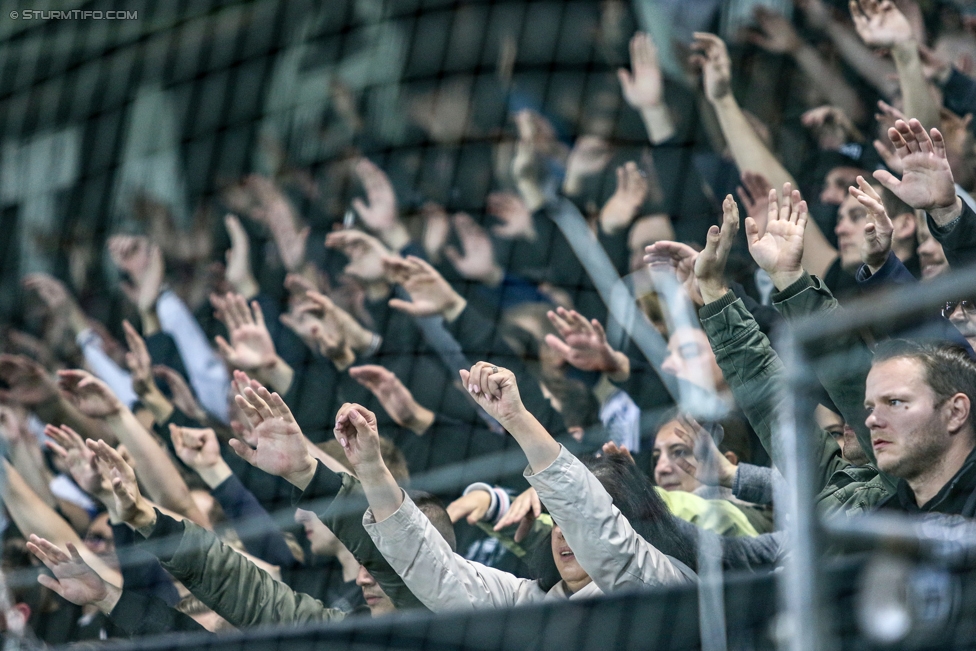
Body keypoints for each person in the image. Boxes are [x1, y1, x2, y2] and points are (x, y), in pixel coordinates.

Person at [333, 366, 696, 612]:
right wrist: (370, 468)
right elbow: (437, 572)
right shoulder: (528, 601)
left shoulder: (665, 584)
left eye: (569, 519)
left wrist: (517, 419)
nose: (563, 534)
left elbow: (602, 535)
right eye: (555, 521)